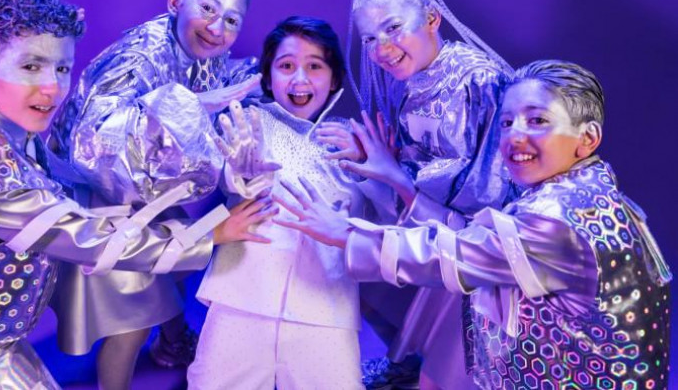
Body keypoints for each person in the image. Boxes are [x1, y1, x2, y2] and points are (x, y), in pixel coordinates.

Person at [0, 0, 267, 389]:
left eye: (61, 68)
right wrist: (210, 233)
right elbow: (99, 243)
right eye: (31, 66)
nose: (53, 88)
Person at [276, 60, 672, 389]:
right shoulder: (587, 189)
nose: (515, 136)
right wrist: (398, 180)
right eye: (507, 122)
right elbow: (478, 242)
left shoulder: (556, 218)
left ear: (587, 139)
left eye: (537, 120)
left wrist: (345, 234)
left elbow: (448, 256)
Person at [48, 0, 263, 389]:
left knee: (181, 258)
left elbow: (217, 91)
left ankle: (173, 340)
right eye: (208, 9)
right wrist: (189, 106)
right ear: (175, 1)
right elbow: (92, 142)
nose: (217, 28)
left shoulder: (204, 51)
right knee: (135, 316)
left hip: (146, 188)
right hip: (96, 193)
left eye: (231, 20)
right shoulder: (141, 55)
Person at [318, 0, 511, 389]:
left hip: (481, 243)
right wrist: (376, 159)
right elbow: (412, 161)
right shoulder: (406, 83)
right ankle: (404, 357)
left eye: (393, 28)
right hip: (432, 221)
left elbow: (490, 188)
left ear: (432, 19)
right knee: (345, 245)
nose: (382, 49)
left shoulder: (478, 79)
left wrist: (396, 175)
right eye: (369, 39)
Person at [187, 16, 393, 389]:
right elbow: (232, 178)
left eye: (314, 66)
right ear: (268, 78)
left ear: (334, 78)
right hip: (242, 299)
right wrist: (242, 177)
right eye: (286, 66)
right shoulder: (249, 124)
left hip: (326, 308)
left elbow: (382, 221)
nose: (300, 79)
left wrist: (371, 168)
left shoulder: (354, 141)